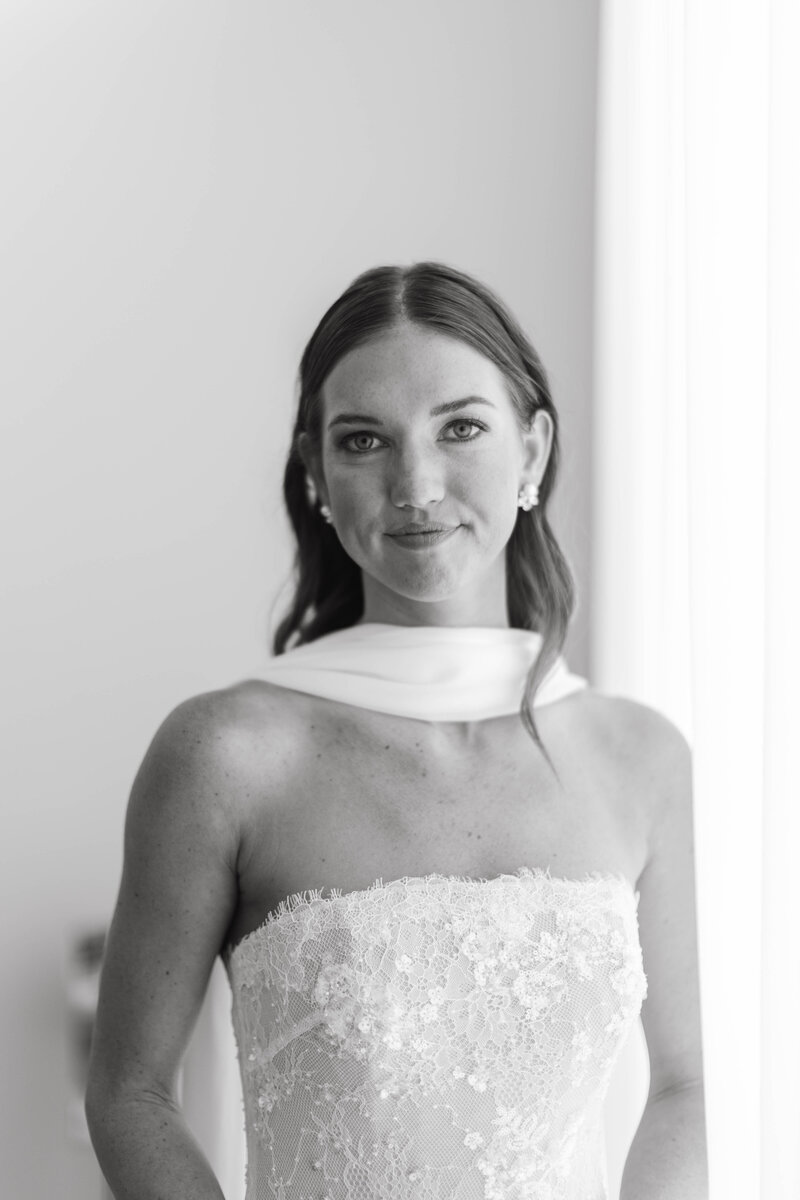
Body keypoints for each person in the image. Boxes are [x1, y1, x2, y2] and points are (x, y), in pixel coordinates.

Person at [85, 261, 707, 1199]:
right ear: (317, 473)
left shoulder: (640, 758)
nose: (416, 484)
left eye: (461, 427)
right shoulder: (227, 755)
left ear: (532, 452)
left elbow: (681, 1089)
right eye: (365, 439)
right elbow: (130, 1092)